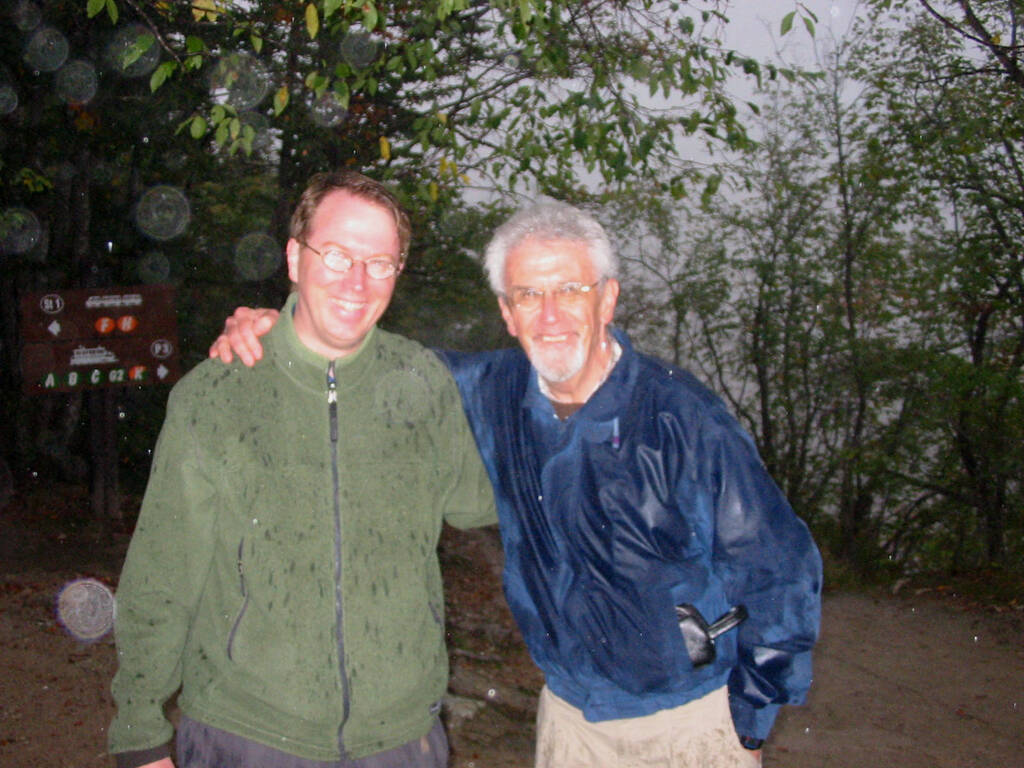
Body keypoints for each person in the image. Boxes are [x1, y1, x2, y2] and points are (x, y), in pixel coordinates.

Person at [212, 200, 822, 768]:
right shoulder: (491, 392)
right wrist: (285, 328)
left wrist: (750, 714)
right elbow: (376, 366)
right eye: (528, 294)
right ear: (506, 313)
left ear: (607, 299)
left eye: (570, 290)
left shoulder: (681, 419)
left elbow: (781, 566)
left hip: (687, 721)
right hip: (567, 719)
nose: (550, 315)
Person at [109, 171, 497, 768]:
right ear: (295, 257)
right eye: (337, 254)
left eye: (380, 262)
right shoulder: (216, 395)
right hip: (244, 735)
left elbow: (487, 498)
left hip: (400, 742)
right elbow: (162, 575)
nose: (357, 281)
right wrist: (139, 732)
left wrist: (579, 406)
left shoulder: (425, 382)